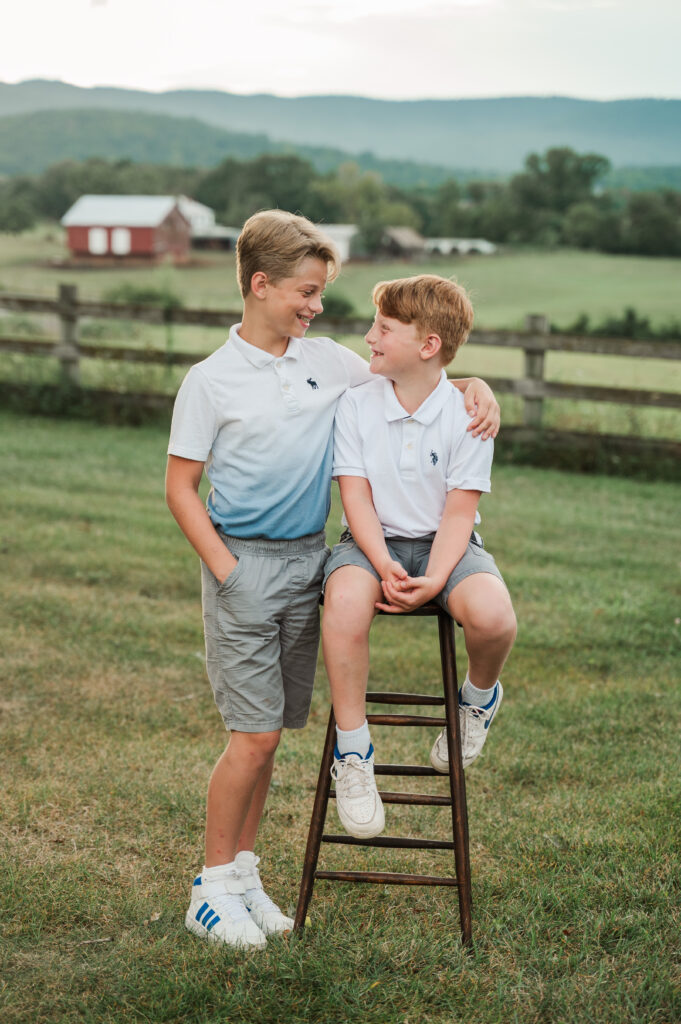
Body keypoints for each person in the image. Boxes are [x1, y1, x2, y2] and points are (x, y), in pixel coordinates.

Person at [165, 212, 500, 949]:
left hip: (309, 562)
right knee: (248, 739)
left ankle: (245, 875)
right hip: (242, 566)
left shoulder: (330, 361)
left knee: (273, 736)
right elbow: (181, 488)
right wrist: (225, 569)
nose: (316, 306)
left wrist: (475, 386)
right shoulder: (210, 381)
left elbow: (414, 372)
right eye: (306, 291)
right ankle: (210, 886)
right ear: (260, 285)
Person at [321, 274, 516, 840]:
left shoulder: (470, 414)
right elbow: (354, 496)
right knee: (345, 606)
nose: (369, 336)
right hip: (368, 540)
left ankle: (477, 700)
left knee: (496, 617)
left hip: (446, 546)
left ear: (428, 346)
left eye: (383, 328)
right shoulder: (356, 404)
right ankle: (354, 756)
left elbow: (459, 513)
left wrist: (433, 578)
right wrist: (382, 563)